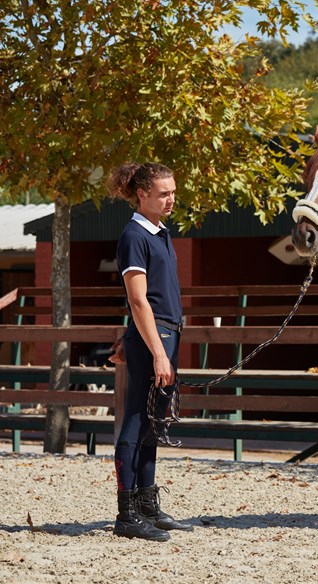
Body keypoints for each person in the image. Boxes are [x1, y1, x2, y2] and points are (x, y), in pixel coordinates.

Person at [106, 162, 191, 541]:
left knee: (156, 420)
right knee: (138, 418)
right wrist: (155, 351)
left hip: (165, 334)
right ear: (142, 194)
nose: (171, 199)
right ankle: (126, 515)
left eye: (173, 191)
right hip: (154, 336)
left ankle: (146, 504)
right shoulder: (133, 236)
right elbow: (139, 301)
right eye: (163, 193)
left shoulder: (160, 233)